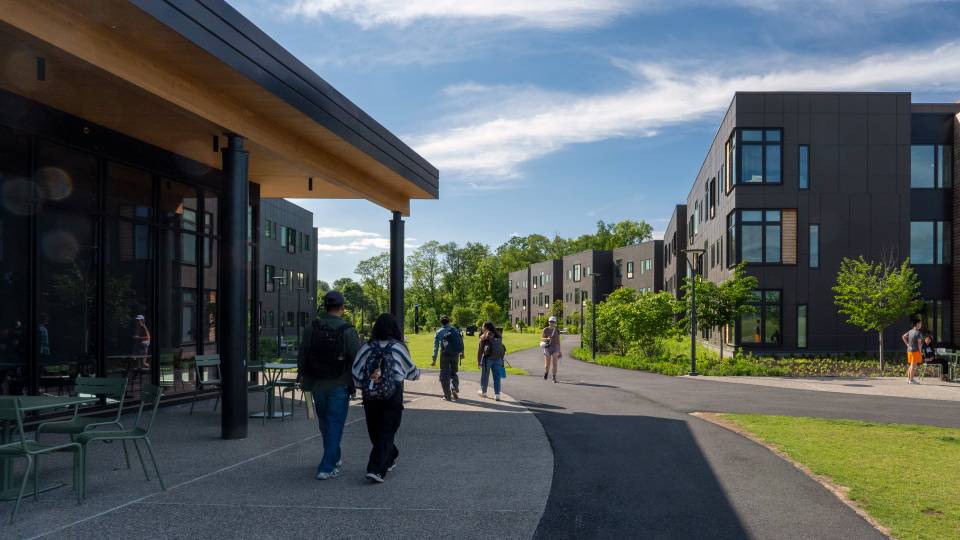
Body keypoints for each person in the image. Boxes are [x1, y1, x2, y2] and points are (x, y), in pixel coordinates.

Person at [298, 291, 362, 480]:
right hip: (339, 383)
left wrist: (302, 376)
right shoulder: (347, 330)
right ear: (342, 308)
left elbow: (303, 354)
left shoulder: (312, 327)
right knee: (335, 423)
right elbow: (357, 357)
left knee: (325, 422)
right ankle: (327, 466)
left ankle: (334, 455)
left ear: (324, 307)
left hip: (316, 383)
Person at [352, 313, 420, 483]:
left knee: (376, 432)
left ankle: (383, 461)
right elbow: (412, 372)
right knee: (387, 431)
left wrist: (366, 384)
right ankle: (377, 469)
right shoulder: (399, 347)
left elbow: (355, 371)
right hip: (392, 395)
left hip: (370, 396)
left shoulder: (367, 347)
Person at [431, 315, 464, 401]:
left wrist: (434, 359)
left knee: (444, 375)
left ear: (441, 322)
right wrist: (462, 353)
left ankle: (447, 395)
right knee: (454, 372)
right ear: (449, 321)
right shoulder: (454, 330)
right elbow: (460, 341)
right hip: (455, 354)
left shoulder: (439, 332)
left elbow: (436, 347)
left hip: (444, 354)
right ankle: (454, 387)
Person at [477, 321, 506, 400]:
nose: (482, 328)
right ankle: (497, 394)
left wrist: (479, 361)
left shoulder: (484, 336)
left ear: (486, 327)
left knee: (485, 376)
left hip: (488, 358)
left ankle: (483, 392)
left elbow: (480, 350)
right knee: (497, 377)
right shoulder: (498, 334)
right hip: (498, 358)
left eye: (483, 326)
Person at [901, 319, 923, 384]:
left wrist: (907, 344)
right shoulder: (918, 333)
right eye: (920, 324)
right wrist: (920, 351)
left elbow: (903, 336)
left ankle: (909, 379)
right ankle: (911, 380)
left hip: (909, 350)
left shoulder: (910, 331)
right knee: (914, 366)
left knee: (911, 365)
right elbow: (919, 343)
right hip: (915, 351)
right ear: (917, 324)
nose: (921, 325)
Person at [542, 316, 561, 383]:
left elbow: (558, 340)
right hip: (547, 347)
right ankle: (546, 372)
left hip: (555, 347)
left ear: (555, 322)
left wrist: (560, 351)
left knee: (555, 363)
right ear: (548, 322)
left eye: (553, 322)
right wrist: (547, 339)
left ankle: (554, 377)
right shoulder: (545, 329)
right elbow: (542, 338)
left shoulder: (557, 330)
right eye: (550, 322)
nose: (551, 323)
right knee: (547, 364)